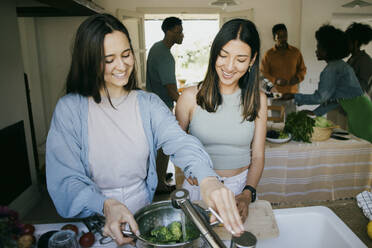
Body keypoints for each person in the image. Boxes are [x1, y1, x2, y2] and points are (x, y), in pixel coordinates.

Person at [46, 14, 245, 247]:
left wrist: (207, 179)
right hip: (95, 218)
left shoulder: (147, 104)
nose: (121, 66)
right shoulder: (70, 109)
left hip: (142, 213)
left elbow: (180, 142)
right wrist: (106, 204)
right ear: (89, 61)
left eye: (126, 54)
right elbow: (66, 179)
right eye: (109, 59)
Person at [176, 19, 267, 222]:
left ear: (252, 60)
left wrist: (247, 193)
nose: (229, 66)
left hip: (239, 188)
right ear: (214, 53)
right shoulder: (190, 97)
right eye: (223, 55)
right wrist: (187, 167)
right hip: (199, 186)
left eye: (240, 59)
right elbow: (176, 145)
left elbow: (258, 156)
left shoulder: (258, 99)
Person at [282, 25, 372, 142]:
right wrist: (315, 113)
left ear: (328, 49)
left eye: (319, 46)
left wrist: (294, 96)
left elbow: (321, 97)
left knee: (364, 150)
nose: (316, 50)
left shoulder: (332, 69)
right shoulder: (338, 65)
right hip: (360, 110)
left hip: (361, 114)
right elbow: (336, 99)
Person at [146, 17, 184, 193]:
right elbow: (170, 88)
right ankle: (160, 184)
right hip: (162, 107)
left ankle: (158, 176)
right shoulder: (165, 56)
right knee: (163, 148)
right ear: (169, 31)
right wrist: (185, 104)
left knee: (157, 147)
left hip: (153, 105)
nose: (181, 34)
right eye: (178, 31)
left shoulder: (156, 48)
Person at [261, 23, 306, 116]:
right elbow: (263, 73)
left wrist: (298, 78)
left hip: (292, 96)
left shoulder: (295, 52)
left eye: (285, 36)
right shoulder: (268, 54)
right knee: (277, 126)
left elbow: (302, 69)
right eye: (279, 37)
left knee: (292, 125)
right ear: (274, 38)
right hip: (276, 97)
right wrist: (275, 80)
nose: (283, 39)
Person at [345, 22, 372, 99]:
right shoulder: (352, 58)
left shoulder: (365, 60)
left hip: (358, 105)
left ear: (355, 43)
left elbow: (362, 87)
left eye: (348, 41)